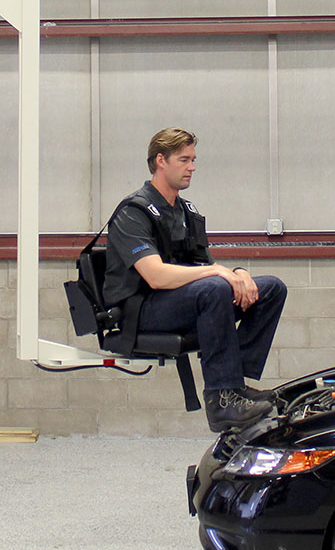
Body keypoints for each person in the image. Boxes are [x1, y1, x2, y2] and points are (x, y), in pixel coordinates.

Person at [104, 127, 288, 432]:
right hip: (143, 309)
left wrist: (238, 273)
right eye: (184, 160)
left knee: (270, 289)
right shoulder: (133, 211)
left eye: (193, 160)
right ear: (160, 161)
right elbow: (156, 276)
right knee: (213, 287)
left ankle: (235, 387)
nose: (192, 167)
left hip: (184, 300)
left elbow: (204, 265)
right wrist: (217, 273)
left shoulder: (185, 211)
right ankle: (221, 399)